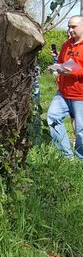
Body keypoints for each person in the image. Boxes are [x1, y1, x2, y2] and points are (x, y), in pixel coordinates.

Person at [46, 16, 83, 158]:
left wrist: (71, 72)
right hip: (62, 92)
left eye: (74, 27)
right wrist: (56, 68)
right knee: (52, 118)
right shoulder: (66, 45)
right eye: (69, 27)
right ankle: (66, 156)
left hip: (80, 95)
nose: (70, 30)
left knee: (80, 130)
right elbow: (61, 62)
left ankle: (81, 158)